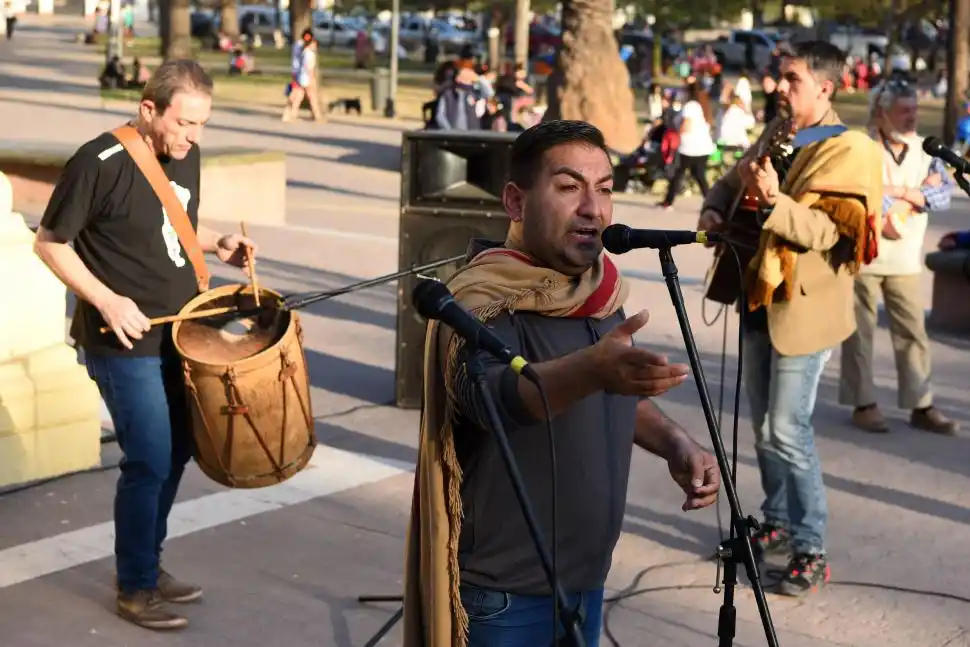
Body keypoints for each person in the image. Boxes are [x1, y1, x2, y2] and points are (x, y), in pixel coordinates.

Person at [402, 120, 721, 647]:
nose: (593, 208)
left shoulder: (595, 290)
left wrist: (676, 442)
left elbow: (608, 391)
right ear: (516, 202)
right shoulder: (480, 300)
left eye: (605, 189)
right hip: (504, 597)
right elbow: (496, 399)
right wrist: (592, 368)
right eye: (570, 187)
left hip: (587, 580)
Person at [33, 59, 257, 631]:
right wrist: (107, 300)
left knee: (180, 449)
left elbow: (171, 221)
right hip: (121, 339)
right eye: (183, 124)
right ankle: (134, 588)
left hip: (180, 332)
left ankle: (146, 566)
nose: (193, 137)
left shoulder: (187, 154)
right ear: (148, 108)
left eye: (202, 126)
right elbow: (51, 243)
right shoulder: (99, 161)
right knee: (150, 458)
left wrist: (217, 244)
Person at [697, 41, 883, 596]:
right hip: (758, 298)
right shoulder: (774, 135)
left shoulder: (852, 149)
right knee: (762, 427)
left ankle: (811, 547)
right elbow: (731, 183)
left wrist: (776, 201)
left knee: (786, 428)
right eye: (778, 77)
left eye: (792, 79)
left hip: (804, 310)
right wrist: (713, 204)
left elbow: (828, 233)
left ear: (825, 87)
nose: (779, 87)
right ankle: (774, 523)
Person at [839, 77, 958, 435]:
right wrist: (912, 194)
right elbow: (857, 193)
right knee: (858, 334)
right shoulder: (861, 149)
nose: (912, 117)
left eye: (915, 110)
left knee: (912, 334)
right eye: (904, 110)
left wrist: (895, 195)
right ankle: (864, 403)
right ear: (882, 113)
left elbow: (943, 196)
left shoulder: (927, 150)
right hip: (864, 257)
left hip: (905, 260)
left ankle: (921, 405)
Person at [661, 81, 714, 209]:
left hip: (690, 147)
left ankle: (668, 202)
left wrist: (676, 132)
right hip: (703, 146)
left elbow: (687, 125)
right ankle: (711, 203)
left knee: (678, 173)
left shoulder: (691, 106)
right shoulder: (704, 105)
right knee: (699, 175)